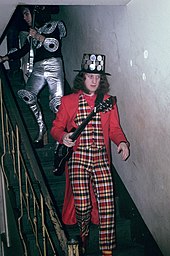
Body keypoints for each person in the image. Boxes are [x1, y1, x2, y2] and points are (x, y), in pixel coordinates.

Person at [50, 53, 130, 256]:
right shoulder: (68, 101)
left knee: (107, 205)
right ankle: (84, 233)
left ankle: (107, 251)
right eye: (90, 76)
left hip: (101, 158)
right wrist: (64, 136)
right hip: (78, 158)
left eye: (98, 77)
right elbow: (56, 128)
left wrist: (122, 142)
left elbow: (114, 129)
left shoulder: (108, 101)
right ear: (82, 78)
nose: (94, 80)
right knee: (83, 205)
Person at [0, 5, 67, 148]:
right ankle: (41, 127)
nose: (25, 18)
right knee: (28, 95)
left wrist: (37, 36)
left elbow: (53, 45)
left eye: (26, 14)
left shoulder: (54, 25)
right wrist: (4, 58)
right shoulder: (32, 33)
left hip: (54, 65)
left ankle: (60, 138)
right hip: (38, 68)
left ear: (35, 12)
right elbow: (23, 50)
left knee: (57, 104)